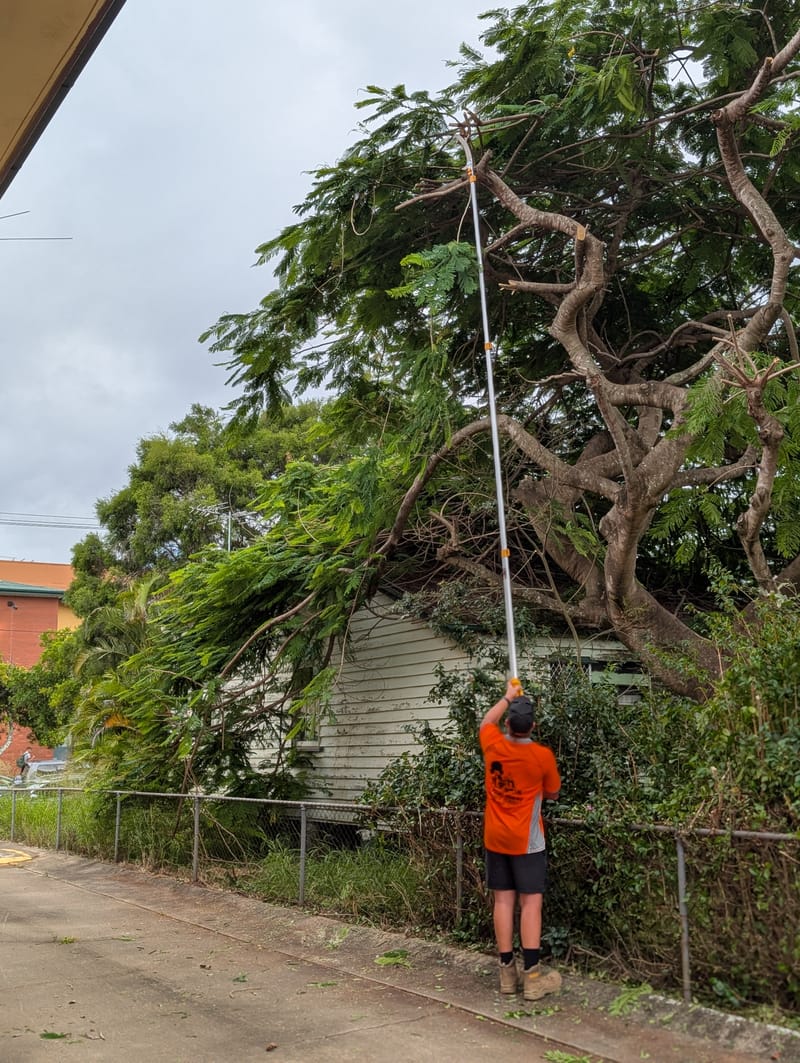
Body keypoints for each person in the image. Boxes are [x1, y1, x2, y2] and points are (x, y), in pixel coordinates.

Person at [480, 679, 562, 1000]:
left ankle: (506, 975)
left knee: (502, 901)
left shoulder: (493, 744)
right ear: (533, 726)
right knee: (530, 904)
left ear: (509, 725)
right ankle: (532, 978)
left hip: (495, 838)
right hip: (527, 843)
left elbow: (487, 721)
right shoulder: (541, 756)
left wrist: (507, 696)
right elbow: (553, 793)